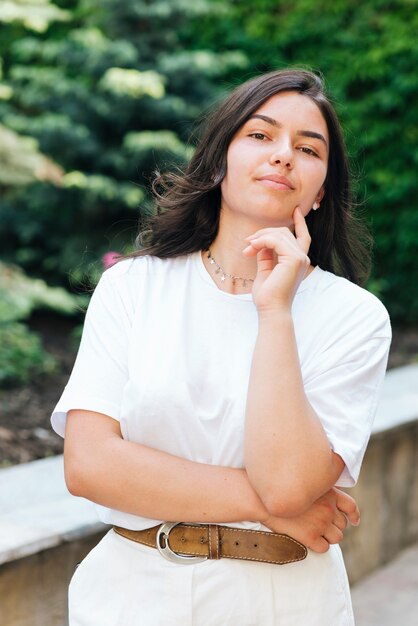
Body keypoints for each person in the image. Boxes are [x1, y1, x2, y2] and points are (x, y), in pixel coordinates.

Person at [52, 69, 391, 625]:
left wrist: (275, 311)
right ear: (217, 162)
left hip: (285, 602)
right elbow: (89, 464)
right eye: (260, 135)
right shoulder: (134, 287)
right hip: (131, 595)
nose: (283, 155)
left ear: (321, 187)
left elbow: (287, 483)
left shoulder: (353, 318)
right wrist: (273, 510)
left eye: (308, 148)